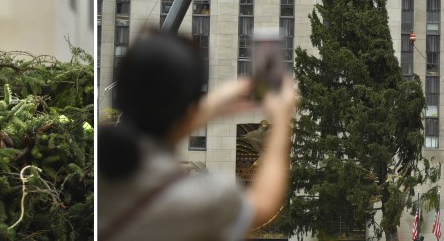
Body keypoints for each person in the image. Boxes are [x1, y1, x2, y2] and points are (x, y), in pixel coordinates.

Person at [97, 31, 298, 241]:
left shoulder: (99, 161)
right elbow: (263, 204)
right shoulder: (200, 199)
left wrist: (202, 109)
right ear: (189, 109)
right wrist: (281, 120)